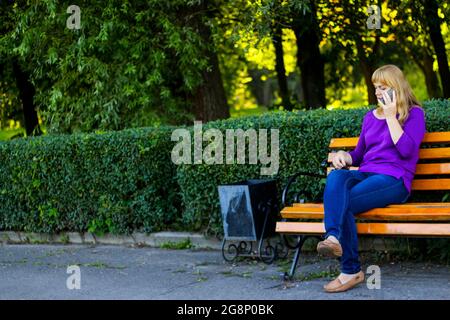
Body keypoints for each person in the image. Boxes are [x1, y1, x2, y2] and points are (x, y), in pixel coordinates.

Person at [317, 64, 426, 293]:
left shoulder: (414, 114)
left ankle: (350, 271)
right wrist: (343, 156)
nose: (377, 91)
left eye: (383, 86)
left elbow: (406, 151)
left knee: (342, 203)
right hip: (366, 173)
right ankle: (334, 239)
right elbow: (358, 154)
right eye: (375, 86)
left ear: (396, 87)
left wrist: (390, 117)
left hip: (394, 179)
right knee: (337, 177)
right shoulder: (369, 117)